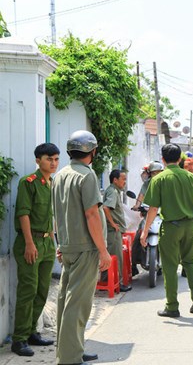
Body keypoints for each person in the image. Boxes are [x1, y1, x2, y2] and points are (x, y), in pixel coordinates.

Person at [52, 130, 112, 365]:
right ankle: (70, 358)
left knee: (66, 301)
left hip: (68, 246)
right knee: (77, 303)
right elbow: (91, 214)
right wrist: (104, 250)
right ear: (92, 152)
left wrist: (60, 243)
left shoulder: (60, 175)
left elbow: (57, 213)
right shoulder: (86, 176)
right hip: (86, 248)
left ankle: (71, 349)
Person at [141, 143, 193, 318]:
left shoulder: (159, 179)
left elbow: (153, 208)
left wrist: (145, 231)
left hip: (170, 227)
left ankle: (172, 306)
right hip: (189, 225)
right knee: (190, 261)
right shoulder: (191, 178)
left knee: (170, 266)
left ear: (162, 159)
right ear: (179, 159)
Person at [11, 143, 60, 357]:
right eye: (49, 158)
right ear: (38, 160)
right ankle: (19, 339)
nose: (54, 163)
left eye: (56, 159)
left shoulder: (53, 184)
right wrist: (30, 243)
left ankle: (32, 332)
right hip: (30, 243)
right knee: (28, 291)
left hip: (48, 243)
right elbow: (23, 214)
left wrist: (56, 242)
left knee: (42, 291)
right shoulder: (28, 183)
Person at [103, 169, 132, 292]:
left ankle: (106, 282)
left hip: (112, 231)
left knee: (110, 257)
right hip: (113, 232)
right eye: (123, 179)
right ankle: (117, 284)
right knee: (116, 258)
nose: (125, 182)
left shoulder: (113, 191)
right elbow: (105, 208)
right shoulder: (113, 192)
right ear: (115, 180)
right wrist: (113, 223)